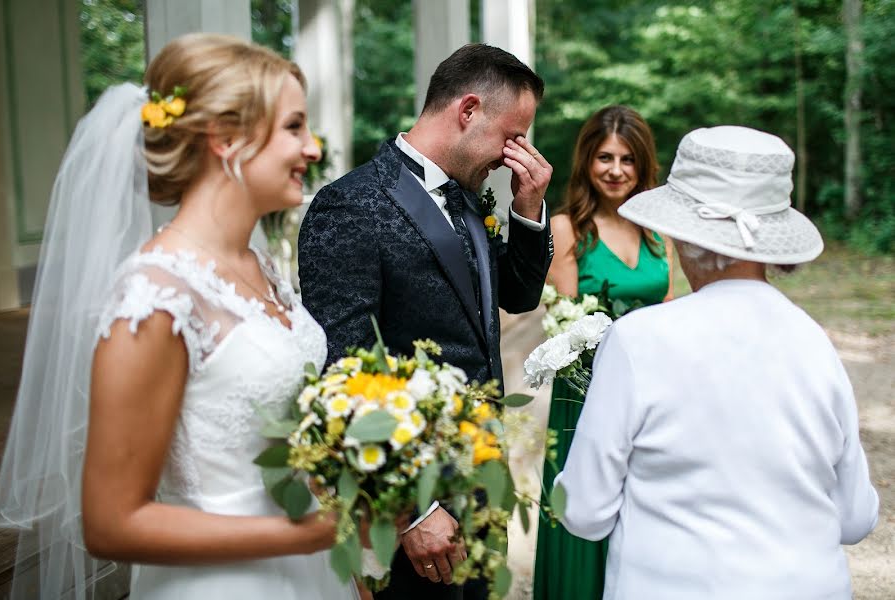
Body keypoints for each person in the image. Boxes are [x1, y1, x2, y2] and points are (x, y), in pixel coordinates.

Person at [0, 34, 359, 600]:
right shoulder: (155, 294)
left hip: (311, 571)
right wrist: (305, 536)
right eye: (293, 127)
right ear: (225, 138)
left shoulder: (260, 265)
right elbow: (112, 523)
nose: (312, 149)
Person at [556, 125, 879, 599]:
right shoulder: (816, 343)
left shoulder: (637, 340)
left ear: (682, 237)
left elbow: (583, 511)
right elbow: (855, 517)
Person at [298, 44, 553, 600]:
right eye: (513, 136)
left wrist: (528, 211)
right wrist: (414, 509)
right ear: (468, 110)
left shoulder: (470, 197)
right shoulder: (352, 205)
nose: (518, 154)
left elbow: (517, 296)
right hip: (417, 504)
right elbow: (341, 367)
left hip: (482, 479)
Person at [534, 105, 671, 600]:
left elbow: (673, 311)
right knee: (583, 516)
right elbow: (565, 326)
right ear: (587, 161)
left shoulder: (659, 234)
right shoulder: (568, 230)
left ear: (644, 166)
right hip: (587, 392)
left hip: (654, 395)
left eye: (628, 160)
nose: (616, 170)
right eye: (605, 157)